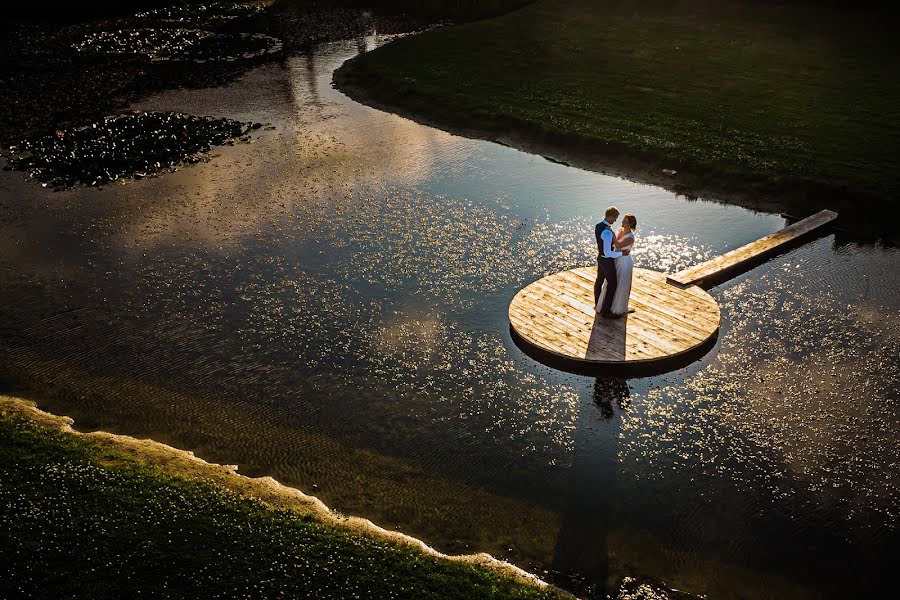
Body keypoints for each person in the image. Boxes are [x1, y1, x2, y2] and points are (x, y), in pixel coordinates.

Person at [596, 213, 637, 316]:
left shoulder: (631, 237)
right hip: (615, 258)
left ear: (629, 224)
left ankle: (618, 308)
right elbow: (613, 244)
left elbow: (618, 244)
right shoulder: (619, 230)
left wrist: (611, 233)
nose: (622, 222)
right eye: (623, 220)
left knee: (622, 284)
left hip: (624, 261)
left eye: (625, 221)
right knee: (612, 283)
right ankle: (606, 307)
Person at [593, 206, 622, 317]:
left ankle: (598, 305)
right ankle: (606, 311)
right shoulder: (607, 232)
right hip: (606, 261)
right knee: (613, 283)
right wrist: (621, 253)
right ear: (610, 216)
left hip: (600, 258)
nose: (615, 221)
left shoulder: (598, 226)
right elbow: (607, 253)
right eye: (614, 218)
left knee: (599, 281)